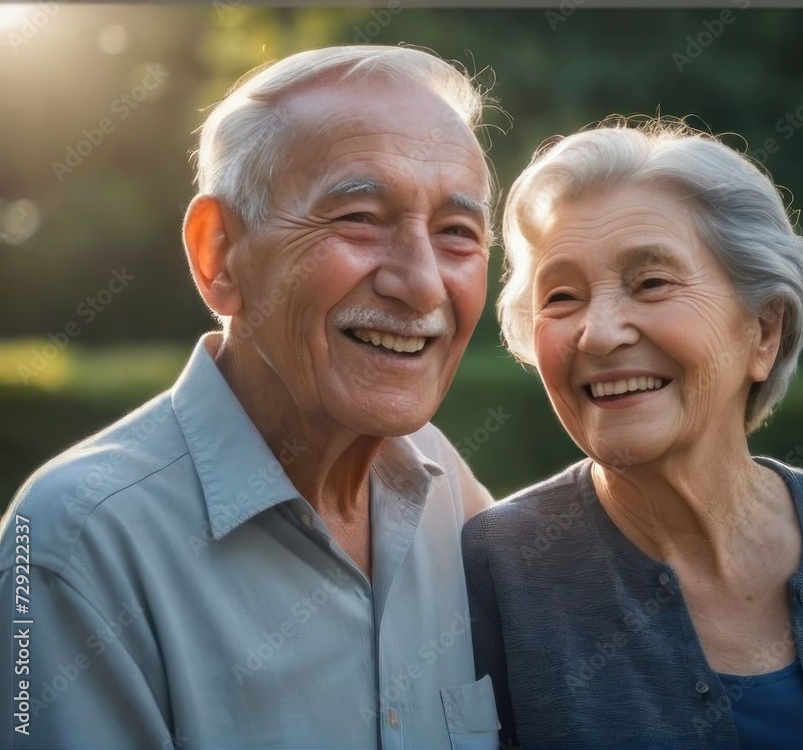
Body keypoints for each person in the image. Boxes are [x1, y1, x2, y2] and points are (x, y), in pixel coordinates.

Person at [0, 46, 502, 749]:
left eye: (457, 233)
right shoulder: (78, 545)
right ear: (219, 254)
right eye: (359, 216)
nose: (422, 284)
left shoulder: (445, 485)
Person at [462, 120, 803, 749]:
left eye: (652, 283)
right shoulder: (499, 571)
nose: (599, 332)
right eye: (561, 297)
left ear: (764, 333)